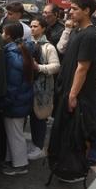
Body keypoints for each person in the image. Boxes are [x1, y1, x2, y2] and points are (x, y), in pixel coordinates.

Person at [53, 0, 96, 175]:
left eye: (74, 9)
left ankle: (78, 168)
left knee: (79, 134)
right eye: (70, 8)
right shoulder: (76, 31)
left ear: (87, 10)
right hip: (66, 90)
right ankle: (65, 167)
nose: (70, 12)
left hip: (79, 96)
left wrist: (73, 95)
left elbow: (82, 68)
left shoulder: (91, 35)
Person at [0, 21, 35, 175]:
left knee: (16, 135)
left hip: (15, 102)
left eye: (3, 32)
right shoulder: (24, 48)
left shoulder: (12, 55)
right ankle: (12, 160)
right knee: (14, 133)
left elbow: (12, 85)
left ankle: (20, 165)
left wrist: (5, 102)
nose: (1, 35)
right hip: (22, 99)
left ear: (8, 35)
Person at [28, 16, 60, 159]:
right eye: (31, 26)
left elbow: (56, 66)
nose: (32, 28)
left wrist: (39, 67)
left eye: (35, 26)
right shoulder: (27, 43)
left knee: (39, 117)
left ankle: (39, 147)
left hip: (43, 89)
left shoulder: (48, 47)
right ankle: (34, 144)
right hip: (28, 87)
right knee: (31, 117)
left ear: (43, 28)